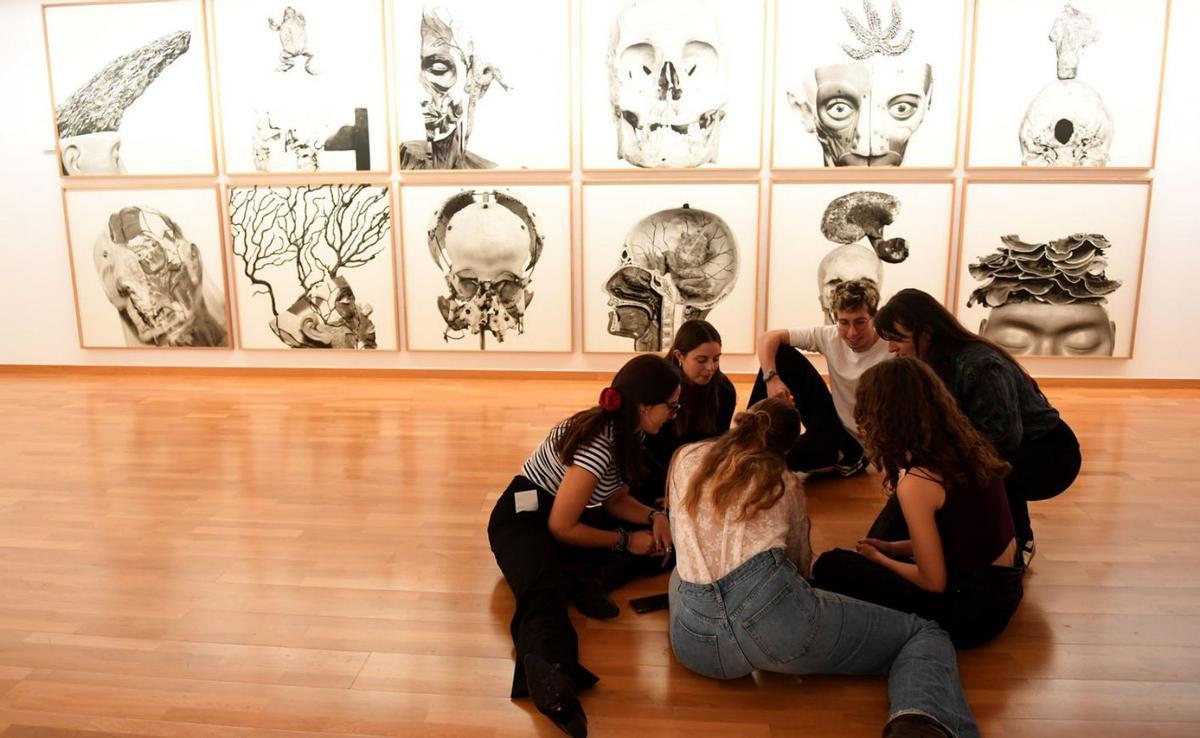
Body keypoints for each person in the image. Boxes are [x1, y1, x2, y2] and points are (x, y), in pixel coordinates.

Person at [667, 398, 980, 738]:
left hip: (695, 644)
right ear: (787, 447)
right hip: (777, 628)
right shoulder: (784, 483)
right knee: (924, 634)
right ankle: (919, 723)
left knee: (683, 572)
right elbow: (800, 566)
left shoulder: (686, 456)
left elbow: (678, 521)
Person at [487, 354, 680, 737]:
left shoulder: (630, 430)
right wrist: (626, 541)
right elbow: (561, 526)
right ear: (644, 406)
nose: (674, 413)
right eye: (671, 406)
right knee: (543, 592)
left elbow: (613, 498)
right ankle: (553, 680)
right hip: (523, 518)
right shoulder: (600, 442)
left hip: (563, 514)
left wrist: (654, 519)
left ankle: (585, 580)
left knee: (659, 548)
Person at [812, 358, 1024, 648]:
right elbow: (963, 536)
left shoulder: (920, 482)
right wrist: (894, 548)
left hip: (970, 616)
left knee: (831, 565)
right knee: (871, 553)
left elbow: (933, 582)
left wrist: (881, 560)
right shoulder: (970, 447)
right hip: (1005, 592)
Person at [870, 289, 1081, 566]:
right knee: (932, 468)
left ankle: (1016, 543)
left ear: (927, 333)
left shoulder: (981, 364)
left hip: (1048, 454)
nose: (891, 348)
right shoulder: (935, 362)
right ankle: (889, 548)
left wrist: (935, 458)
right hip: (1009, 446)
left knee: (973, 469)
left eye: (898, 339)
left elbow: (1004, 439)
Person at [751, 279, 889, 474]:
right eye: (844, 323)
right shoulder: (830, 336)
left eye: (860, 322)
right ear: (835, 319)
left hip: (855, 441)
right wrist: (771, 379)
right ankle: (747, 437)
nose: (852, 332)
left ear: (874, 318)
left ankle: (848, 456)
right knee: (782, 352)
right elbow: (768, 338)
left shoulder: (892, 348)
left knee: (779, 460)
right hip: (833, 418)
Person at [637, 320, 737, 505]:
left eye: (716, 359)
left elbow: (717, 446)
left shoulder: (724, 390)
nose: (711, 367)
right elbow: (645, 450)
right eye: (701, 360)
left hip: (699, 477)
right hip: (655, 477)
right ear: (679, 356)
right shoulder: (657, 387)